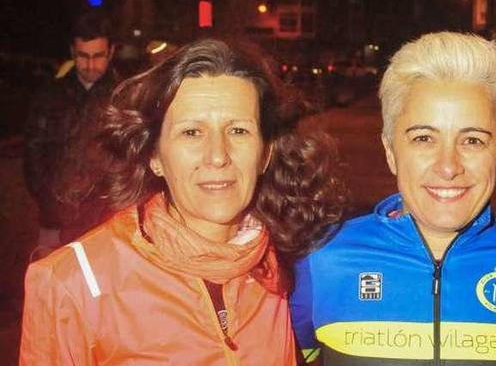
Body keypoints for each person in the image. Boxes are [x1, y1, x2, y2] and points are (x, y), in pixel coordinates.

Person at [19, 38, 346, 364]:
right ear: (154, 155)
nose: (218, 156)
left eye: (238, 131)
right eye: (191, 132)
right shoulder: (73, 283)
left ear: (265, 152)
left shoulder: (276, 270)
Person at [292, 32, 496, 365]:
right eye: (424, 138)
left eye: (472, 140)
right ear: (390, 151)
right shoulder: (321, 259)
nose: (448, 166)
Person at [24, 11, 117, 252]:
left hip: (105, 222)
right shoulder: (50, 96)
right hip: (55, 219)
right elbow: (34, 153)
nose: (90, 65)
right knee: (52, 285)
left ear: (111, 52)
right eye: (83, 56)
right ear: (72, 53)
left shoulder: (123, 99)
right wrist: (49, 203)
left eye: (98, 56)